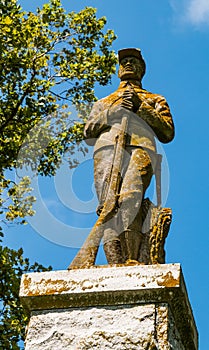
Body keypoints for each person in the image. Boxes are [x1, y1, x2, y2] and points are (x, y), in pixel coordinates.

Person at [84, 48, 175, 264]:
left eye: (133, 61)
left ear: (142, 70)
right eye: (124, 61)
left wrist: (140, 106)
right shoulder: (104, 102)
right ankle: (115, 262)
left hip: (140, 148)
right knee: (108, 206)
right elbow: (88, 132)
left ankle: (133, 258)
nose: (128, 64)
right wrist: (112, 113)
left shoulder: (154, 99)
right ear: (118, 70)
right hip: (106, 150)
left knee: (129, 198)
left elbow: (167, 131)